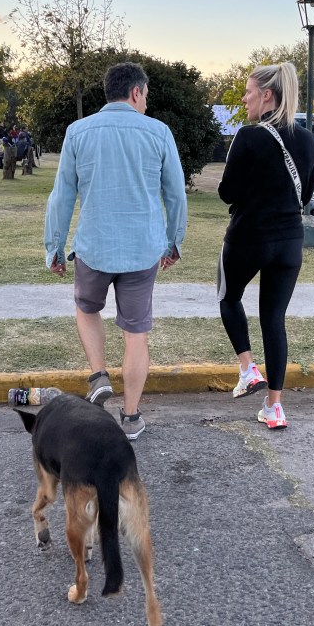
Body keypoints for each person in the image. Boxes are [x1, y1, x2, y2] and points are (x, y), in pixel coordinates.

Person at [44, 62, 187, 440]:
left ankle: (98, 375)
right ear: (136, 92)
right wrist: (174, 241)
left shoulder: (78, 131)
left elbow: (62, 196)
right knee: (136, 333)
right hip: (143, 250)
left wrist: (54, 246)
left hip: (94, 246)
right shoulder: (159, 132)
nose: (146, 102)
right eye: (146, 95)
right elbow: (175, 194)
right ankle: (132, 416)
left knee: (86, 308)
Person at [217, 62, 314, 430]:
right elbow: (305, 196)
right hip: (289, 242)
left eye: (248, 93)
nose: (244, 99)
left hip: (248, 237)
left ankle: (248, 368)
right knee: (274, 320)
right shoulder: (308, 140)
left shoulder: (247, 136)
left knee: (228, 297)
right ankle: (275, 406)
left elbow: (226, 192)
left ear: (266, 95)